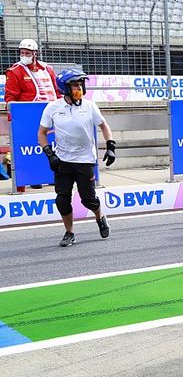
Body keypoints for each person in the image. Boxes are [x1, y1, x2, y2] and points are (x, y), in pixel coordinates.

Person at [37, 69, 116, 247]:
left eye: (80, 84)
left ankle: (100, 217)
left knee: (88, 199)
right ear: (65, 88)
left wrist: (111, 147)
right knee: (62, 199)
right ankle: (69, 232)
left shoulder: (90, 106)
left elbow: (104, 127)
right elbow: (41, 134)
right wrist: (50, 155)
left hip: (85, 160)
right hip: (63, 161)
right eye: (75, 84)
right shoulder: (53, 107)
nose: (79, 87)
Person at [4, 39, 61, 191]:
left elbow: (57, 91)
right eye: (22, 53)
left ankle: (53, 175)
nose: (24, 55)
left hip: (52, 114)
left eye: (27, 53)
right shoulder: (15, 71)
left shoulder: (47, 69)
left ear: (35, 53)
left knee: (54, 146)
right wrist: (13, 114)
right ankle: (33, 178)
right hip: (29, 117)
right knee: (31, 147)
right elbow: (10, 98)